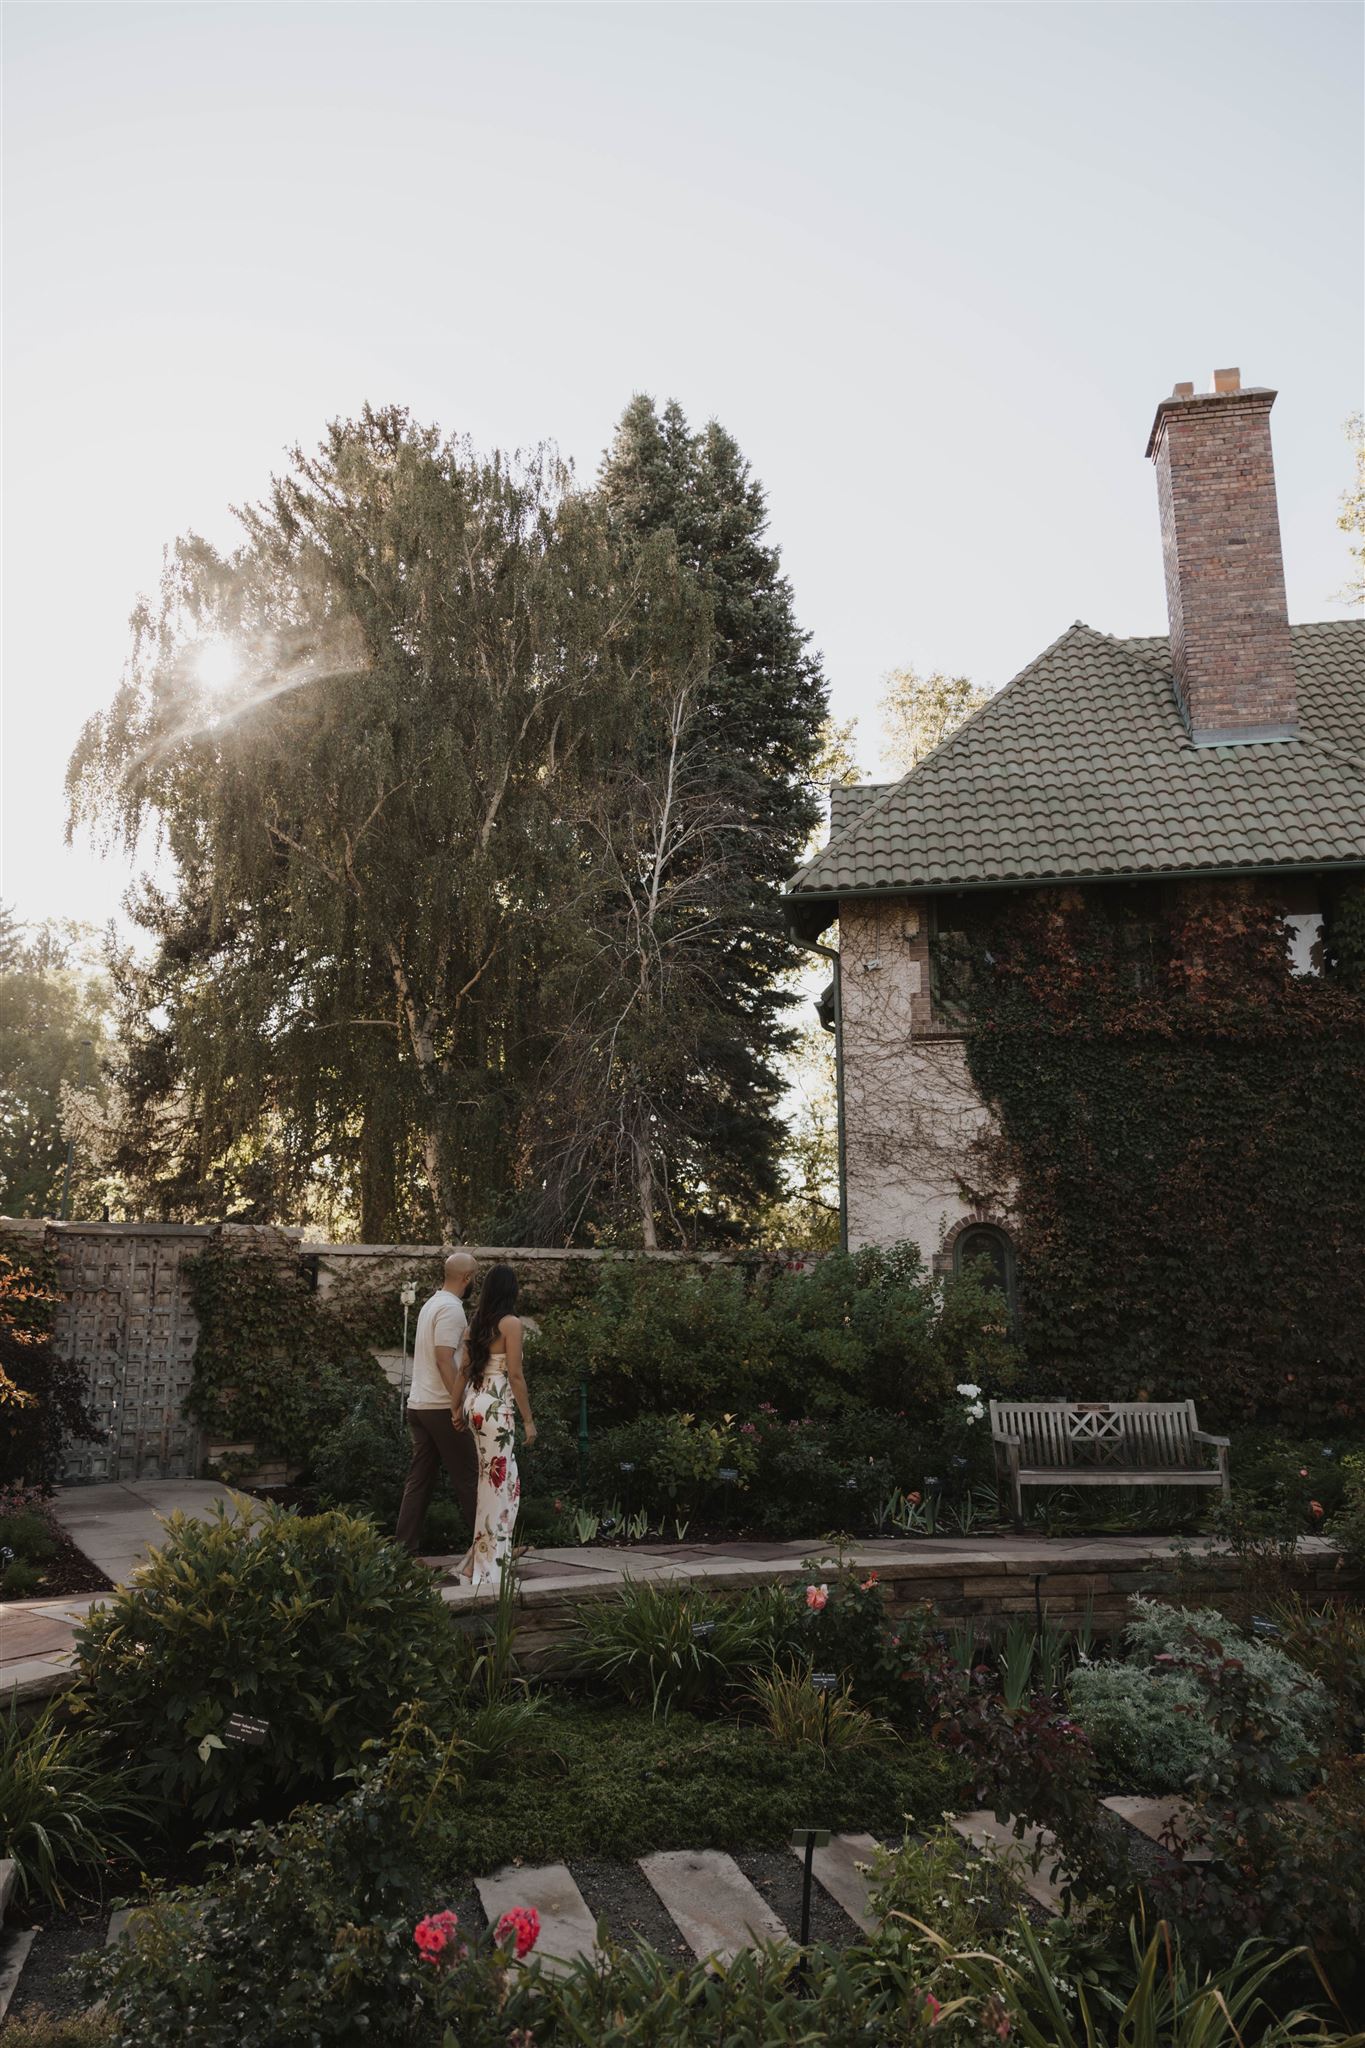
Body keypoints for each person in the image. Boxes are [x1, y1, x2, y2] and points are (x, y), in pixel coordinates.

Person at [454, 1261, 536, 1587]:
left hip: (475, 1405)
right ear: (510, 1290)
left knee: (506, 1485)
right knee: (496, 1489)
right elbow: (515, 1376)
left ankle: (475, 1562)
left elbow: (463, 1371)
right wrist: (529, 1420)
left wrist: (454, 1409)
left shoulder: (477, 1324)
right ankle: (487, 1573)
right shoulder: (511, 1324)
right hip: (496, 1411)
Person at [394, 1251, 479, 1556]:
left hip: (419, 1404)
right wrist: (457, 1405)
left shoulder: (431, 1304)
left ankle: (403, 1551)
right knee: (471, 1476)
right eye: (475, 1277)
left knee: (420, 1480)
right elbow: (445, 1360)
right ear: (467, 1278)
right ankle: (489, 1549)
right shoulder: (452, 1309)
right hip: (440, 1406)